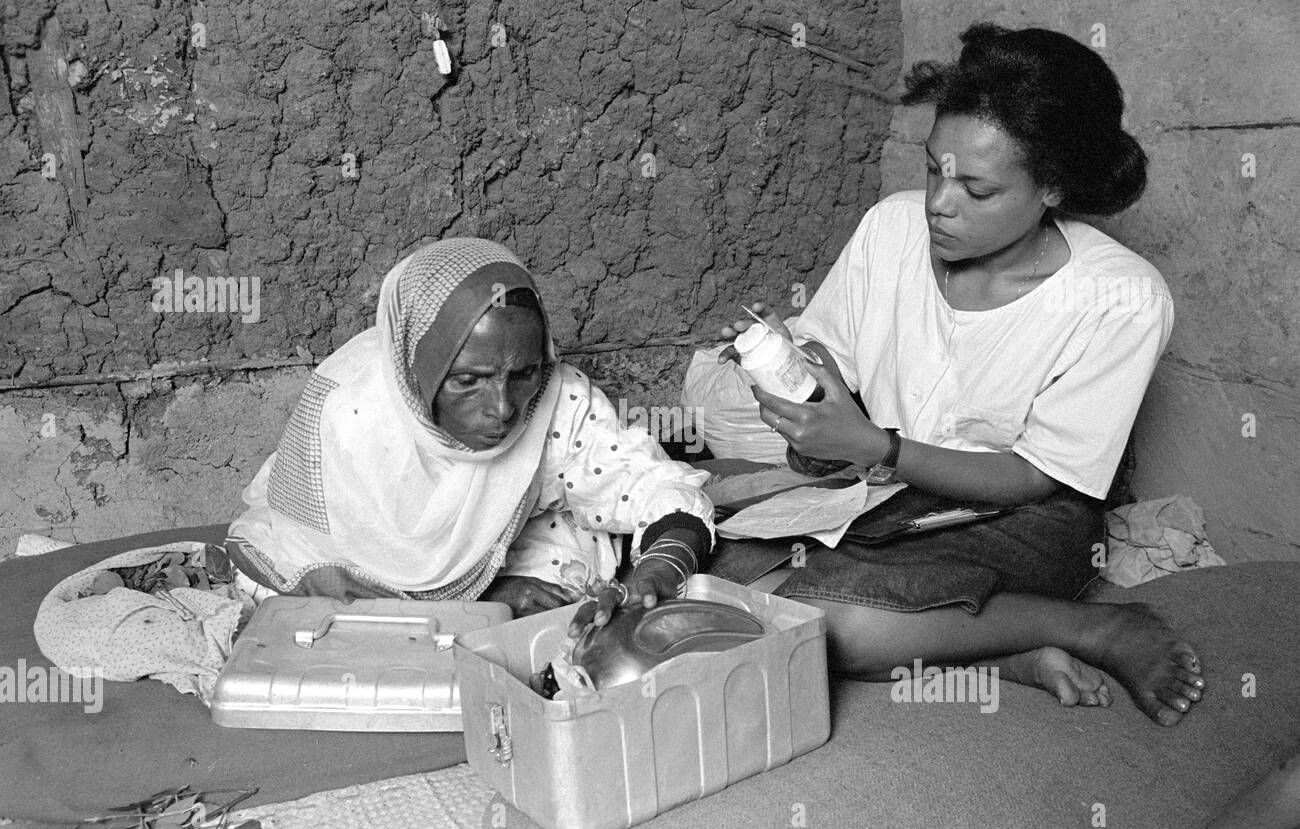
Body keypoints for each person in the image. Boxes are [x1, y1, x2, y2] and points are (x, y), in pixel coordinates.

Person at [718, 23, 1205, 726]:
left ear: (1053, 188)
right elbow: (836, 392)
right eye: (933, 169)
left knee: (824, 626)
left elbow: (1038, 477)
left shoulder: (1122, 296)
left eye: (976, 188)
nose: (939, 203)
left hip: (1026, 517)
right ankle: (1001, 653)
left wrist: (878, 447)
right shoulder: (889, 230)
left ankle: (1089, 626)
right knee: (723, 578)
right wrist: (798, 383)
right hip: (892, 500)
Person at [227, 238, 712, 628]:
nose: (503, 408)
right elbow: (307, 554)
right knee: (281, 597)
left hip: (522, 544)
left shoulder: (555, 396)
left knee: (565, 609)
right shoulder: (347, 410)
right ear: (415, 365)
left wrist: (660, 568)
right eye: (467, 381)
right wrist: (486, 597)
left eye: (522, 373)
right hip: (362, 568)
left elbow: (650, 484)